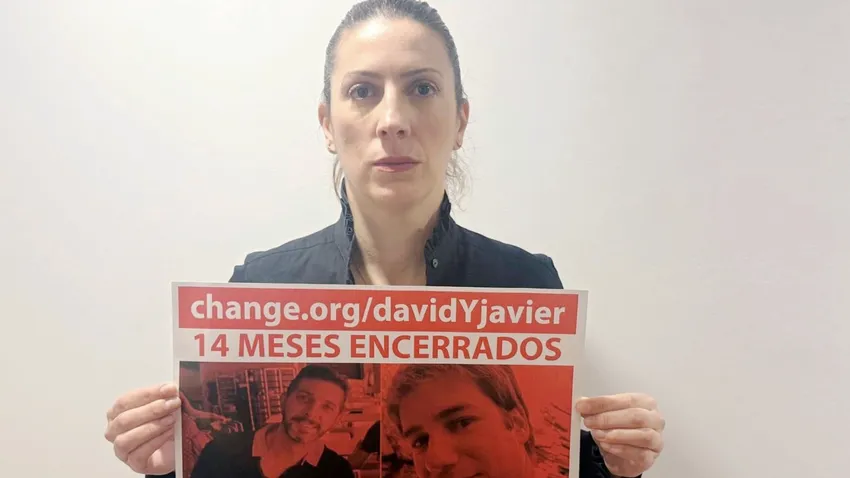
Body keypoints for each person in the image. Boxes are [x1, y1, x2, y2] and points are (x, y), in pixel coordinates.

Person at [102, 1, 666, 477]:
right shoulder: (260, 284)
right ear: (328, 123)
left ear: (460, 120)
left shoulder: (527, 284)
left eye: (422, 87)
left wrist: (615, 465)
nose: (393, 118)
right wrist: (169, 464)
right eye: (363, 90)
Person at [189, 364, 355, 478]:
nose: (311, 413)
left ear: (336, 419)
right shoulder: (220, 452)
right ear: (283, 400)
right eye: (304, 398)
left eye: (327, 407)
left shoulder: (338, 472)